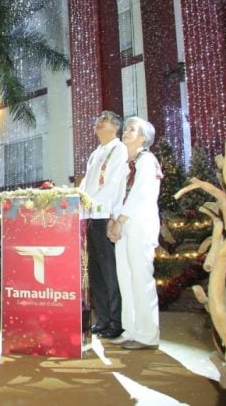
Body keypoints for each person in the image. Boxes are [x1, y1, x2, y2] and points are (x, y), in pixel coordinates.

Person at [108, 116, 163, 350]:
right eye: (127, 128)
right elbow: (116, 195)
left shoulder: (147, 160)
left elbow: (141, 194)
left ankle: (147, 334)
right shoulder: (124, 164)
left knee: (140, 278)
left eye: (133, 129)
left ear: (143, 138)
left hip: (139, 224)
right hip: (122, 225)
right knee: (125, 278)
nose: (126, 132)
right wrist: (113, 221)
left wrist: (120, 220)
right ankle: (130, 329)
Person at [78, 111, 128, 340]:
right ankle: (103, 319)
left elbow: (113, 186)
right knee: (96, 271)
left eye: (103, 121)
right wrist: (76, 198)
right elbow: (87, 185)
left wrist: (109, 215)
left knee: (109, 271)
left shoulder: (119, 150)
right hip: (90, 215)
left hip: (105, 215)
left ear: (115, 127)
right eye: (98, 120)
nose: (98, 123)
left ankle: (117, 322)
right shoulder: (96, 152)